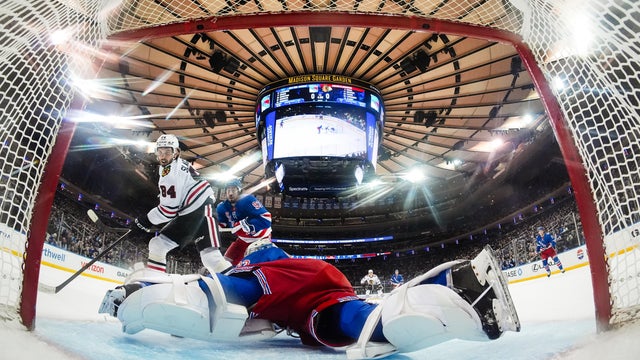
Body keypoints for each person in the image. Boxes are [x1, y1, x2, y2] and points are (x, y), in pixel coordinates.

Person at [99, 242, 520, 359]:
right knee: (356, 316)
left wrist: (134, 298)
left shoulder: (259, 268)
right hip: (327, 289)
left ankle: (454, 290)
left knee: (355, 321)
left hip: (308, 297)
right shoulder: (286, 263)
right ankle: (452, 289)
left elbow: (210, 302)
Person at [130, 134, 231, 275]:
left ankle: (239, 285)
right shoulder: (179, 163)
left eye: (167, 152)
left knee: (211, 257)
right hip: (193, 210)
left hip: (199, 210)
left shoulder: (170, 174)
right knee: (159, 245)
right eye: (160, 152)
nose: (163, 156)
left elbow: (168, 211)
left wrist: (144, 221)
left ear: (176, 152)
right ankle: (154, 281)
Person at [216, 178, 272, 266]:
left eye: (233, 190)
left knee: (253, 266)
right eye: (228, 190)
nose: (230, 193)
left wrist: (245, 224)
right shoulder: (222, 207)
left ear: (239, 191)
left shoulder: (248, 200)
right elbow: (221, 224)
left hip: (260, 238)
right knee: (225, 263)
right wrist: (213, 225)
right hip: (243, 239)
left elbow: (266, 218)